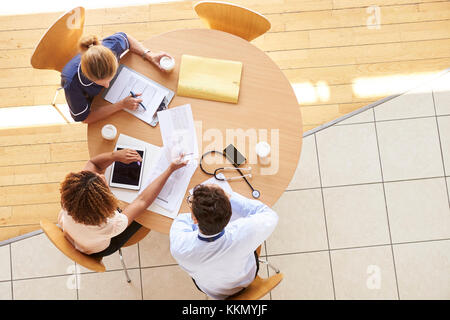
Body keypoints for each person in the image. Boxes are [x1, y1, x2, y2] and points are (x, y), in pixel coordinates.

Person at [58, 148, 186, 258]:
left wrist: (116, 156)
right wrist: (170, 169)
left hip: (76, 235)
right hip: (98, 249)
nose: (102, 176)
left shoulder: (68, 198)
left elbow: (93, 163)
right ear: (104, 204)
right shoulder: (112, 223)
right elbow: (142, 201)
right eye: (102, 184)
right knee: (144, 215)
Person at [169, 184, 279, 299]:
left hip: (215, 292)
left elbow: (181, 220)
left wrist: (200, 212)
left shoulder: (180, 247)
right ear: (230, 214)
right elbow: (270, 215)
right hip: (246, 278)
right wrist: (230, 198)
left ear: (195, 219)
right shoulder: (244, 232)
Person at [61, 32, 172, 123]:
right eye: (102, 83)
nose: (107, 85)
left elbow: (127, 38)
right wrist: (121, 105)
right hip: (97, 102)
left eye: (110, 78)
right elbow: (84, 118)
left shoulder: (110, 47)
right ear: (87, 77)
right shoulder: (71, 84)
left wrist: (148, 54)